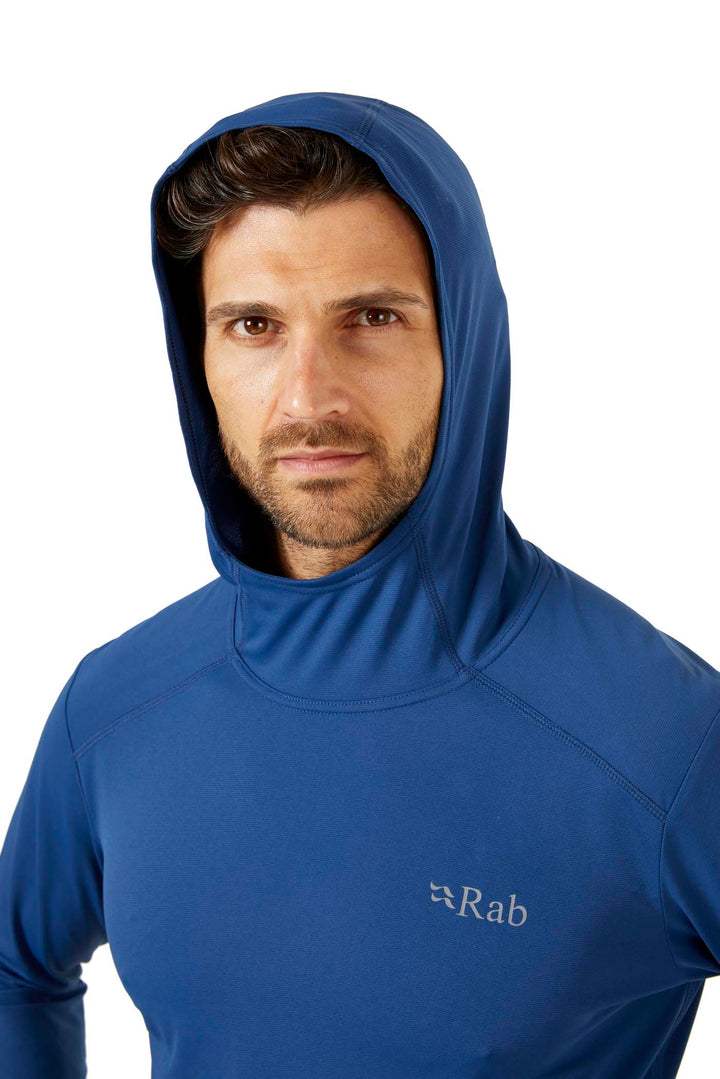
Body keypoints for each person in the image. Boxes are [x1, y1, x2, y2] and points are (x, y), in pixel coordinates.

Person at [1, 90, 718, 1078]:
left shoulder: (663, 737)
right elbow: (15, 968)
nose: (308, 397)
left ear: (463, 340)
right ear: (197, 355)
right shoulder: (114, 705)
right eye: (254, 324)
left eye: (371, 317)